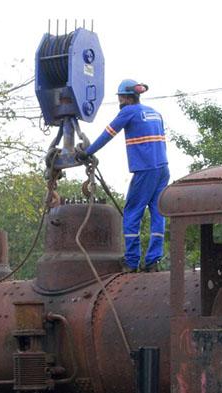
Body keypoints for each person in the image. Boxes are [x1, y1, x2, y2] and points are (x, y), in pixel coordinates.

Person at [78, 79, 170, 272]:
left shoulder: (128, 112)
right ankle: (153, 261)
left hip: (145, 170)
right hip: (162, 169)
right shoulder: (155, 113)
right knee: (158, 213)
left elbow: (107, 134)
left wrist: (87, 152)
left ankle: (131, 261)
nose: (119, 100)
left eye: (119, 97)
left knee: (132, 212)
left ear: (124, 97)